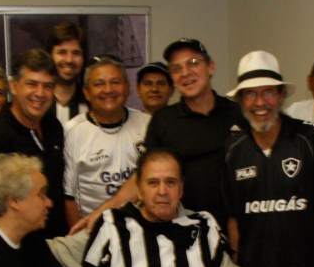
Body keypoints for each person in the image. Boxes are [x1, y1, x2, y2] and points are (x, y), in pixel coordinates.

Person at [49, 147, 269, 267]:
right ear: (139, 190)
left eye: (170, 182)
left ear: (181, 189)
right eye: (153, 183)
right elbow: (49, 254)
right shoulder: (113, 226)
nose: (162, 191)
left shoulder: (204, 226)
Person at [70, 38, 248, 233]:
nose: (185, 73)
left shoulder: (240, 114)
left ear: (210, 66)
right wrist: (101, 213)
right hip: (187, 234)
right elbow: (143, 178)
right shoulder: (164, 121)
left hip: (241, 228)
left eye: (193, 63)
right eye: (176, 68)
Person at [223, 50, 314, 267]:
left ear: (281, 95)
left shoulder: (308, 137)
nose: (259, 102)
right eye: (250, 94)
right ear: (241, 101)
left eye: (268, 92)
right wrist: (237, 265)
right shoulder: (233, 148)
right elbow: (233, 217)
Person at [0, 49, 68, 238]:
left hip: (56, 240)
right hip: (20, 246)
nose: (40, 93)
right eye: (32, 84)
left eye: (47, 86)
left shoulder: (53, 126)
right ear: (14, 86)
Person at [63, 55, 149, 228]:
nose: (108, 90)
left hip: (142, 227)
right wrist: (82, 235)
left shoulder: (147, 124)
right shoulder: (72, 131)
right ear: (86, 92)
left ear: (126, 87)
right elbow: (68, 196)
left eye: (115, 82)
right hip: (93, 228)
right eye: (99, 84)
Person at [45, 21, 88, 125]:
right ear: (50, 56)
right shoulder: (38, 100)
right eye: (62, 52)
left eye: (76, 53)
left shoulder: (91, 102)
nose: (69, 60)